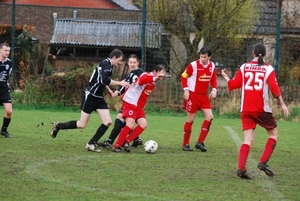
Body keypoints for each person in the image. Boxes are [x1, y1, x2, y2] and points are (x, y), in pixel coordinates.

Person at [221, 43, 290, 179]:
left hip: (245, 109)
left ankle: (241, 168)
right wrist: (283, 105)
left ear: (253, 53)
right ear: (264, 54)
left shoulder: (244, 66)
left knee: (248, 139)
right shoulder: (268, 69)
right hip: (260, 109)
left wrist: (225, 77)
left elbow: (234, 84)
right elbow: (275, 89)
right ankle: (263, 162)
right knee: (274, 134)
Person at [50, 49, 129, 152]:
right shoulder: (107, 65)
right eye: (119, 60)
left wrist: (108, 89)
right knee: (82, 124)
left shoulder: (107, 64)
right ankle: (59, 126)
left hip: (99, 97)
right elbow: (104, 80)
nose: (120, 62)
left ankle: (91, 144)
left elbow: (100, 80)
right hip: (91, 96)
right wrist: (120, 83)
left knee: (108, 121)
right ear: (114, 57)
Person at [113, 64, 166, 152]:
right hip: (130, 102)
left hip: (138, 106)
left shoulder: (153, 82)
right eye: (160, 75)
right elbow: (141, 81)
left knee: (143, 124)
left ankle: (127, 142)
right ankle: (117, 145)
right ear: (155, 72)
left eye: (162, 76)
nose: (161, 78)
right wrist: (154, 78)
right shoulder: (145, 75)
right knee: (130, 125)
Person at [97, 54, 144, 149]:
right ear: (128, 63)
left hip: (134, 103)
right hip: (129, 102)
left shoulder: (139, 72)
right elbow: (123, 87)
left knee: (122, 119)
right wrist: (116, 93)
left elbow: (140, 81)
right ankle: (135, 139)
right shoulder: (129, 75)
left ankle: (111, 143)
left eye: (134, 62)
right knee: (122, 121)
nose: (132, 64)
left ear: (138, 63)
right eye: (130, 62)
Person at [181, 46, 218, 152]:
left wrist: (214, 90)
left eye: (205, 57)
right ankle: (185, 144)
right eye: (201, 57)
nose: (202, 59)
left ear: (209, 57)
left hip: (203, 96)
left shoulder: (212, 66)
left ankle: (200, 142)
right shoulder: (193, 65)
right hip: (193, 95)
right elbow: (183, 76)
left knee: (210, 117)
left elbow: (214, 79)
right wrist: (186, 90)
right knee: (190, 120)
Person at [0, 43, 13, 138]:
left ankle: (4, 130)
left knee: (9, 111)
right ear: (0, 50)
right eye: (5, 50)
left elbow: (8, 75)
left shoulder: (9, 62)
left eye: (9, 51)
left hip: (4, 89)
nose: (8, 52)